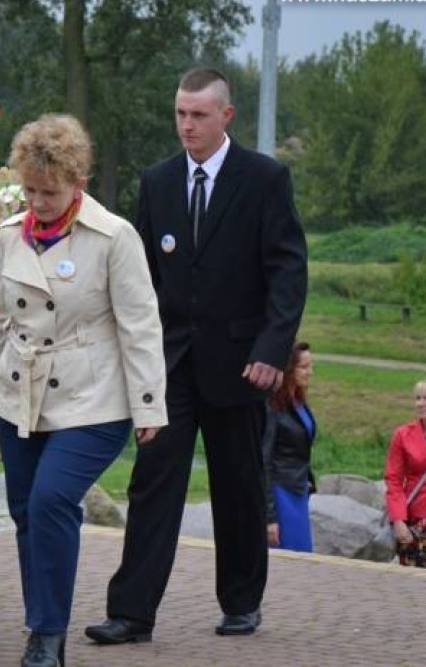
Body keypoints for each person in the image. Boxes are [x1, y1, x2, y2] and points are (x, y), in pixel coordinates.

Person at [86, 67, 307, 645]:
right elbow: (135, 277)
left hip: (241, 364)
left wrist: (272, 350)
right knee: (153, 482)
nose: (187, 125)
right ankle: (132, 613)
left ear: (226, 116)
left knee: (237, 486)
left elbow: (287, 271)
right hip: (171, 364)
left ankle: (241, 602)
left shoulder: (263, 178)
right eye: (181, 113)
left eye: (199, 115)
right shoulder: (157, 182)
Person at [0, 114, 168, 667]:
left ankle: (49, 637)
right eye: (29, 189)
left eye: (50, 191)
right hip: (17, 395)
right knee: (26, 511)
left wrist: (149, 404)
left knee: (53, 501)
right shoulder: (9, 236)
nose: (39, 200)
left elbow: (141, 326)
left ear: (77, 180)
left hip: (92, 400)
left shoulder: (114, 237)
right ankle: (38, 625)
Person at [263, 342, 317, 552]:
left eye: (311, 366)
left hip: (299, 489)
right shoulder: (273, 407)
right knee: (288, 556)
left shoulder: (299, 402)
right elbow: (264, 460)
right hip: (281, 493)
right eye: (304, 367)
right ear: (288, 370)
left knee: (303, 555)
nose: (309, 372)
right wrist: (270, 517)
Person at [384, 379, 426, 568]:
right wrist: (398, 520)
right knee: (409, 582)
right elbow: (393, 480)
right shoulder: (402, 435)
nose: (420, 403)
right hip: (413, 525)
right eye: (417, 398)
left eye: (425, 398)